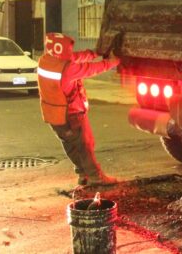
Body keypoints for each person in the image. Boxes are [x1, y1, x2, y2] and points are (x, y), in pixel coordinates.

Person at [37, 32, 121, 186]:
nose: (71, 51)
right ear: (61, 50)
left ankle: (83, 174)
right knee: (85, 145)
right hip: (71, 114)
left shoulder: (45, 61)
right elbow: (91, 69)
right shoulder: (67, 69)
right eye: (68, 49)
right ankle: (96, 177)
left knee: (70, 145)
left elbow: (75, 57)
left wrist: (94, 53)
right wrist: (114, 62)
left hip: (54, 116)